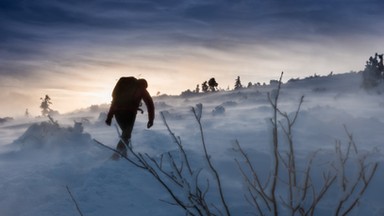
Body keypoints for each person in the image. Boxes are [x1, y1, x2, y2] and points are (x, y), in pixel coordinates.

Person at [105, 77, 155, 159]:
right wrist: (151, 119)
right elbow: (149, 103)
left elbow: (114, 102)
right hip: (130, 113)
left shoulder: (122, 88)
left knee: (125, 133)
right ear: (144, 84)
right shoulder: (141, 87)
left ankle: (124, 155)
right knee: (126, 135)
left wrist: (109, 117)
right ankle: (116, 155)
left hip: (118, 113)